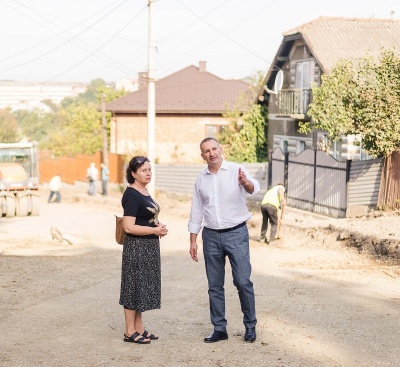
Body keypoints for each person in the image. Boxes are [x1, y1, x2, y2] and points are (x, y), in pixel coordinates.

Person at [188, 137, 260, 344]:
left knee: (242, 281)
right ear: (202, 156)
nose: (211, 153)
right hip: (210, 236)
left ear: (221, 149)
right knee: (214, 285)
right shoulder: (201, 179)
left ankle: (250, 326)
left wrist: (246, 183)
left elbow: (254, 187)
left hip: (236, 233)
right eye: (206, 151)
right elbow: (196, 210)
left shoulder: (236, 169)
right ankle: (219, 328)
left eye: (214, 148)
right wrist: (193, 239)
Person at [119, 156, 168, 344]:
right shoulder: (132, 194)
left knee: (141, 288)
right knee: (132, 288)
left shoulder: (144, 191)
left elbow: (145, 218)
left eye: (149, 169)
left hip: (149, 246)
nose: (148, 173)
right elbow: (129, 226)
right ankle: (129, 331)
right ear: (133, 174)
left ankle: (139, 328)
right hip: (136, 248)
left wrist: (158, 227)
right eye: (143, 170)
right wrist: (154, 230)